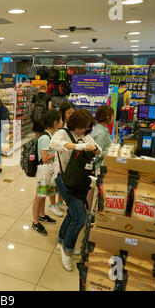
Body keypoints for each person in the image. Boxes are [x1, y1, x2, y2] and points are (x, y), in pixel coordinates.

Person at [50, 109, 102, 271]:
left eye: (86, 128)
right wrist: (78, 146)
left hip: (78, 180)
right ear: (75, 124)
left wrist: (92, 147)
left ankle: (61, 241)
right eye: (81, 128)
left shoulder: (86, 135)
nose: (83, 131)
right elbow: (54, 143)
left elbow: (98, 150)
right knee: (80, 217)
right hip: (63, 179)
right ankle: (67, 252)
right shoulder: (63, 133)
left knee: (73, 213)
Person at [32, 110, 63, 235]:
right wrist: (57, 152)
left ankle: (41, 215)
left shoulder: (50, 135)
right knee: (39, 196)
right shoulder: (45, 137)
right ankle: (35, 222)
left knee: (44, 194)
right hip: (43, 171)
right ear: (55, 122)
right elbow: (45, 158)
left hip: (48, 171)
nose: (62, 122)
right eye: (60, 120)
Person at [91, 105, 114, 175]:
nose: (113, 117)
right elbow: (96, 154)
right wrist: (110, 152)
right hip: (99, 170)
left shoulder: (103, 130)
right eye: (112, 115)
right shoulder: (100, 134)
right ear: (107, 116)